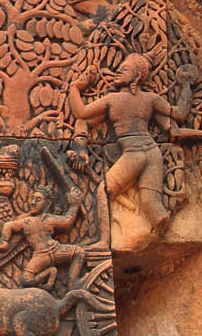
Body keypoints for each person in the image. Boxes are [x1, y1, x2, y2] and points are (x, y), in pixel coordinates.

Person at [69, 52, 173, 236]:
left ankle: (103, 241)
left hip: (135, 154)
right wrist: (186, 85)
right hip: (152, 152)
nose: (118, 70)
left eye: (124, 69)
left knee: (104, 192)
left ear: (137, 76)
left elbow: (81, 112)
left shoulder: (113, 99)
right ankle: (164, 236)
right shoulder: (151, 98)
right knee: (151, 203)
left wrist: (75, 87)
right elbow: (179, 113)